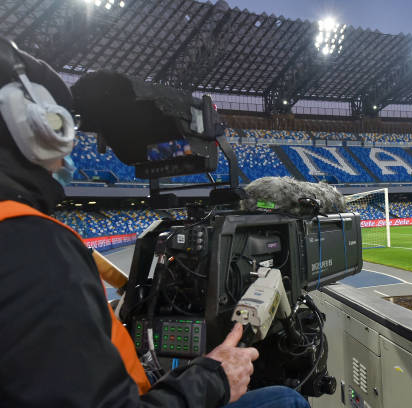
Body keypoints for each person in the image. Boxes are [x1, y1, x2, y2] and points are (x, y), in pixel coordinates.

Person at [0, 38, 309, 408]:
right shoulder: (35, 246)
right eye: (62, 124)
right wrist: (212, 379)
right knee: (285, 399)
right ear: (34, 127)